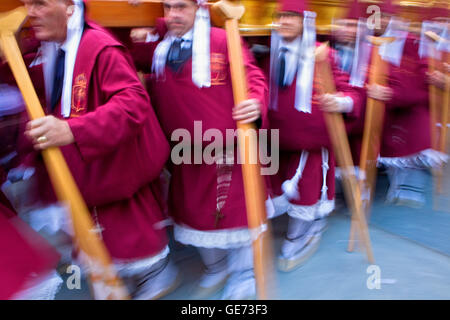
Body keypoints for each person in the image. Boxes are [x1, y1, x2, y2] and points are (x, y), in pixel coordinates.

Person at [14, 0, 176, 300]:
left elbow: (133, 105)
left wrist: (73, 130)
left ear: (70, 8)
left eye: (39, 3)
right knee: (96, 246)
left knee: (132, 241)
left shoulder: (100, 47)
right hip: (80, 168)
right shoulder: (45, 46)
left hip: (111, 164)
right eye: (26, 4)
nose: (30, 13)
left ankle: (155, 275)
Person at [131, 0, 268, 299]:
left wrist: (255, 101)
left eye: (181, 7)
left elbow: (253, 76)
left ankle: (245, 275)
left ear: (199, 9)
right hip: (184, 154)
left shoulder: (223, 38)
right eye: (167, 8)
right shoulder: (160, 47)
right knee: (194, 216)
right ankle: (217, 267)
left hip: (227, 150)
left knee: (236, 217)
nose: (173, 15)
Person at [265, 0, 364, 272]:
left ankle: (300, 234)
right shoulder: (268, 53)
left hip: (311, 144)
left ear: (305, 20)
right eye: (280, 16)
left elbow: (350, 90)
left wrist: (342, 101)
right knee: (277, 190)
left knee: (307, 192)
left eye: (291, 17)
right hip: (277, 141)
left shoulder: (323, 54)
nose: (284, 21)